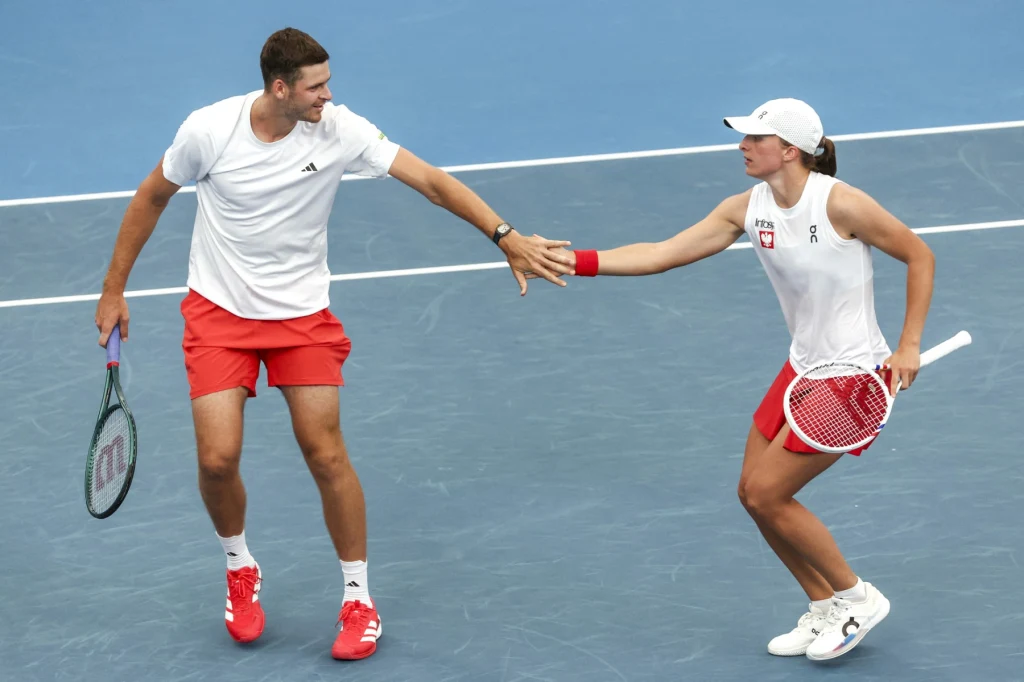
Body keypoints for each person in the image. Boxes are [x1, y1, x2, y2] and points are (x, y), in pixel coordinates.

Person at [93, 27, 573, 661]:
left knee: (324, 453)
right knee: (216, 460)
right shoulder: (208, 131)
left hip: (301, 317)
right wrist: (113, 289)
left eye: (328, 82)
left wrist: (503, 234)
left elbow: (428, 180)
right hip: (219, 311)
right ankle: (240, 567)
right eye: (315, 86)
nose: (328, 95)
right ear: (279, 88)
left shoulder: (341, 128)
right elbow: (152, 196)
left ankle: (357, 597)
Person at [545, 98, 935, 661]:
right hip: (803, 367)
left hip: (851, 373)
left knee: (767, 493)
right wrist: (572, 261)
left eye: (755, 138)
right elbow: (660, 253)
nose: (743, 146)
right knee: (751, 495)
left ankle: (857, 597)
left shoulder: (842, 204)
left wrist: (909, 345)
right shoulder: (747, 208)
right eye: (744, 137)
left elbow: (919, 256)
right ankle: (823, 605)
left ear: (790, 150)